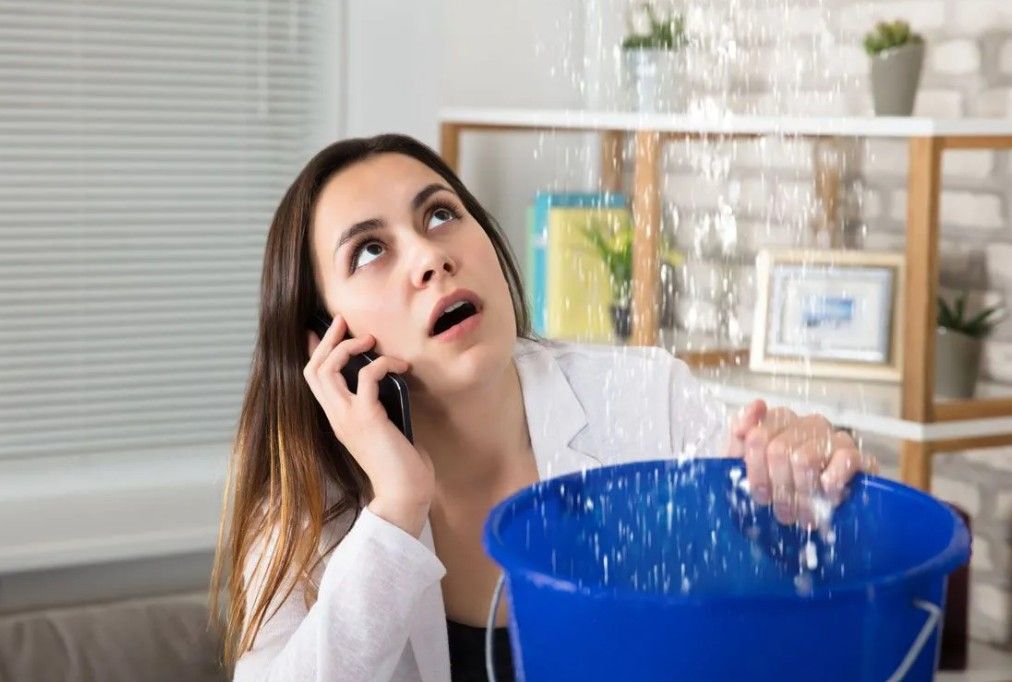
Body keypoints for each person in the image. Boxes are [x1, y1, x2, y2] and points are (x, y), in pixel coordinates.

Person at [209, 134, 877, 682]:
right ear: (326, 342)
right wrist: (395, 507)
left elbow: (805, 584)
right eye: (371, 250)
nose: (430, 257)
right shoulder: (300, 518)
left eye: (440, 214)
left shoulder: (645, 398)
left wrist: (804, 482)